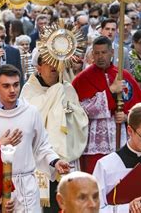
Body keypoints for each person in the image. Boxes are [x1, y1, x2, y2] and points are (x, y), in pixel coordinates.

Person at [0, 64, 71, 212]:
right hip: (0, 185)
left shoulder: (30, 112)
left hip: (27, 185)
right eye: (6, 86)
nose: (12, 90)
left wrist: (55, 161)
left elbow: (42, 146)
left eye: (16, 85)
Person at [20, 49, 89, 210]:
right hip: (39, 159)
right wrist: (55, 93)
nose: (53, 67)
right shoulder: (29, 89)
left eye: (56, 62)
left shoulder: (67, 88)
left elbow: (81, 120)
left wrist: (68, 113)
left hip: (65, 155)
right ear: (38, 66)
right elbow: (30, 117)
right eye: (48, 62)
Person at [72, 36, 141, 174]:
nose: (100, 57)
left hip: (121, 136)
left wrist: (126, 117)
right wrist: (110, 91)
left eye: (104, 52)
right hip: (94, 142)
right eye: (97, 53)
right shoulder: (82, 79)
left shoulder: (123, 76)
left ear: (112, 52)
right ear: (92, 54)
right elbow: (80, 111)